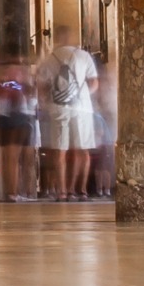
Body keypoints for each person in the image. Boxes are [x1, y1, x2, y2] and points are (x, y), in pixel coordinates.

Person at [36, 38, 97, 199]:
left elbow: (41, 86)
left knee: (60, 150)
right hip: (82, 108)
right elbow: (94, 83)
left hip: (58, 107)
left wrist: (48, 103)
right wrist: (80, 95)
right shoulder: (83, 55)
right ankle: (79, 190)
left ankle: (61, 191)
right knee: (82, 149)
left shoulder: (50, 58)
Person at [0, 48, 39, 200]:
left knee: (7, 156)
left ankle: (10, 192)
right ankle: (16, 192)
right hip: (20, 114)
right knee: (20, 157)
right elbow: (31, 92)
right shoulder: (23, 71)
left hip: (3, 115)